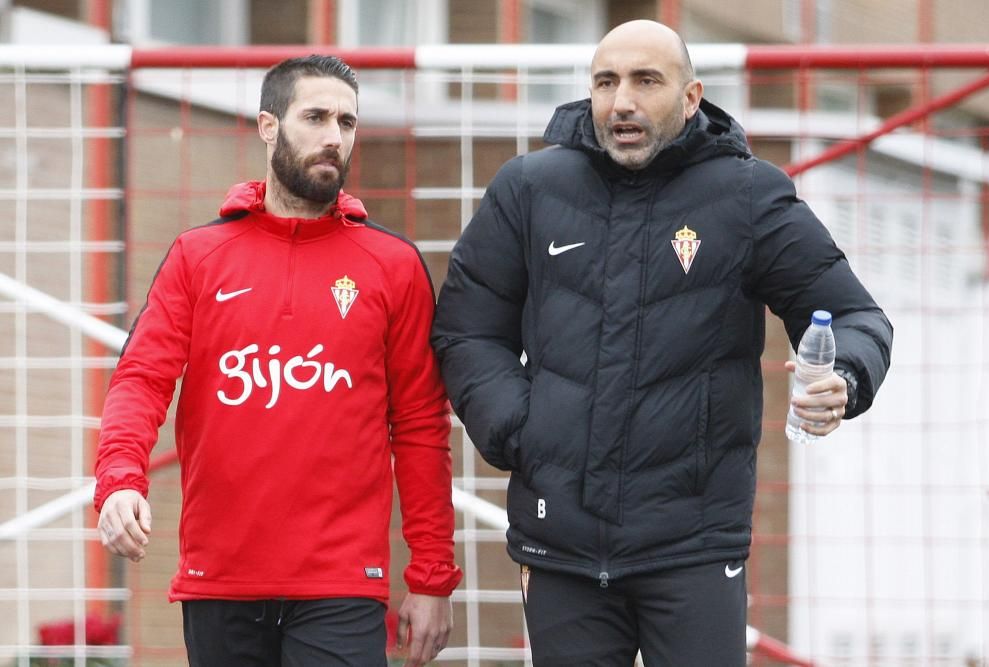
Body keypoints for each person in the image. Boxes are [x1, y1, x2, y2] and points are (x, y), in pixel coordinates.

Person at [432, 20, 892, 666]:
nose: (623, 101)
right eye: (606, 82)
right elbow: (466, 327)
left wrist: (844, 373)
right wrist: (521, 429)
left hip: (695, 546)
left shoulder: (749, 195)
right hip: (560, 543)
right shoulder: (528, 188)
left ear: (691, 96)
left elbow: (856, 314)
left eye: (646, 81)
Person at [94, 55, 461, 667]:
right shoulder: (198, 256)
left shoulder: (392, 265)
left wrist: (430, 576)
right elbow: (142, 378)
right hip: (220, 579)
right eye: (314, 116)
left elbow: (422, 427)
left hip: (343, 583)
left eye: (346, 121)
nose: (332, 136)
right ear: (268, 126)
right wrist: (119, 481)